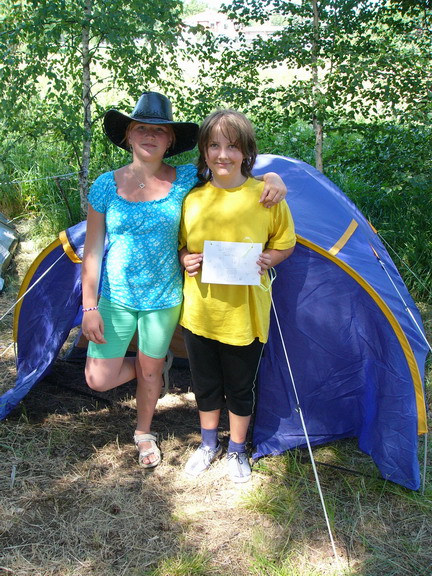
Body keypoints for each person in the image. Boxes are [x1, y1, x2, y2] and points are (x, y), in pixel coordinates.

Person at [81, 92, 288, 469]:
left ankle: (144, 433)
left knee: (147, 370)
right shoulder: (106, 186)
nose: (149, 135)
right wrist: (89, 305)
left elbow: (234, 177)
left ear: (170, 140)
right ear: (128, 134)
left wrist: (274, 178)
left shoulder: (187, 181)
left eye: (158, 131)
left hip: (164, 297)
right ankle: (157, 371)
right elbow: (92, 250)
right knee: (98, 378)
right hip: (115, 296)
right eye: (141, 128)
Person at [179, 109, 296, 483]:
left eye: (232, 146)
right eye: (214, 145)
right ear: (204, 151)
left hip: (245, 316)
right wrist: (185, 258)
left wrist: (270, 258)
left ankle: (236, 450)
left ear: (246, 151)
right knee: (206, 383)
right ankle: (208, 444)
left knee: (241, 386)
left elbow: (285, 243)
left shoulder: (266, 195)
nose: (223, 154)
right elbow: (182, 246)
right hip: (200, 312)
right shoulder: (193, 199)